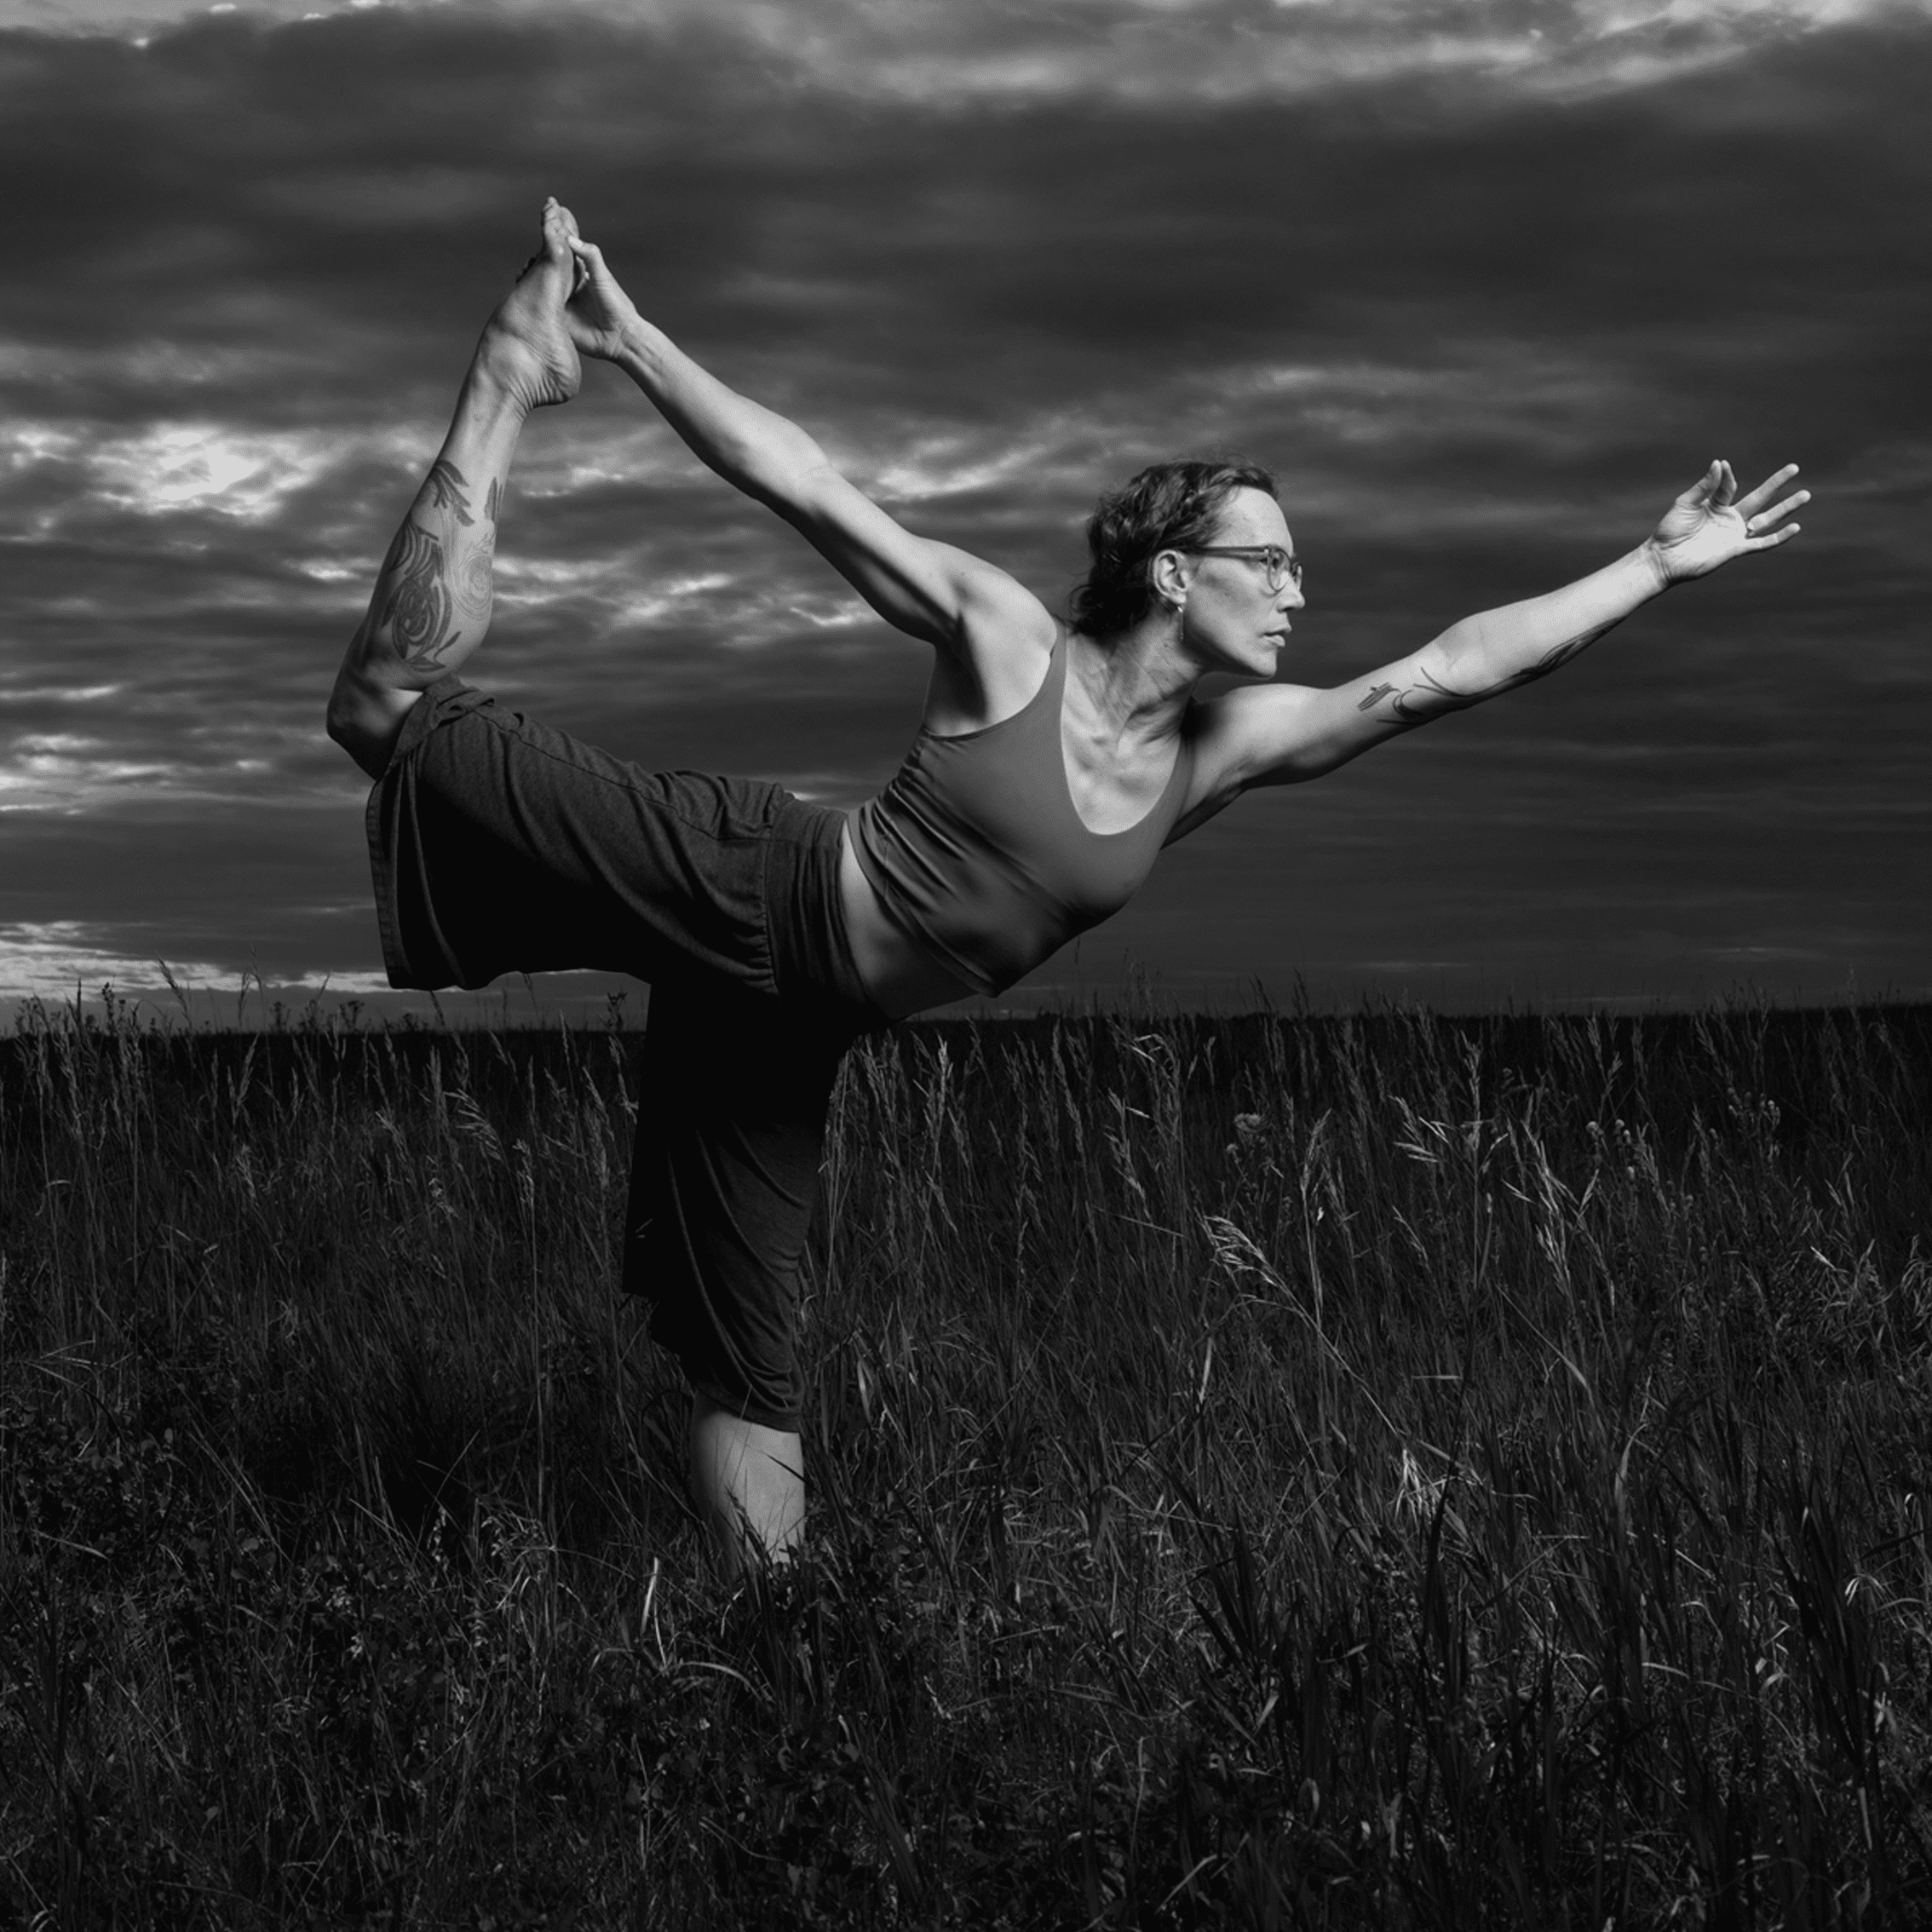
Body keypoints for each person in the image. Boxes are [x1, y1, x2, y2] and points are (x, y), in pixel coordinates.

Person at [326, 201, 1807, 1571]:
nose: (1299, 593)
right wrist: (631, 340)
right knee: (384, 713)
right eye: (1271, 562)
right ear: (1174, 573)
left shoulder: (1223, 751)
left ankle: (775, 1687)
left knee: (749, 1360)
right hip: (746, 888)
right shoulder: (1007, 639)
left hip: (791, 1032)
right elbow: (811, 488)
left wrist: (1651, 569)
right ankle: (512, 375)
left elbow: (1443, 673)